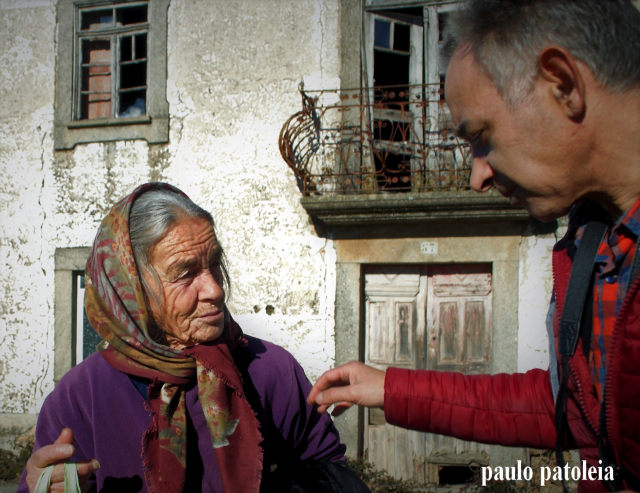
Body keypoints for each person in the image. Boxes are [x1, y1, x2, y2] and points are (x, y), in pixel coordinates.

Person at [308, 0, 640, 491]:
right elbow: (572, 408)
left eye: (482, 136)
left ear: (563, 85)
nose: (477, 176)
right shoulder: (597, 243)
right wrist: (389, 387)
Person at [19, 183, 368, 493]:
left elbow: (328, 471)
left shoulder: (269, 371)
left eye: (214, 263)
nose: (214, 289)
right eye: (185, 273)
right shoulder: (81, 397)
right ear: (131, 291)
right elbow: (47, 480)